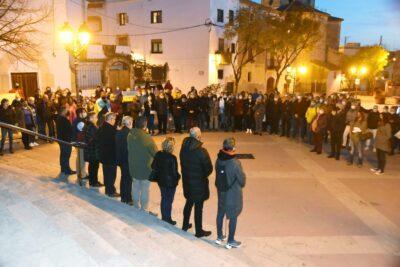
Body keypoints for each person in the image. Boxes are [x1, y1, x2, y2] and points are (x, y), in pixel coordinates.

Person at [180, 127, 213, 238]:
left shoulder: (183, 148)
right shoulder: (201, 151)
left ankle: (185, 225)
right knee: (198, 208)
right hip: (199, 184)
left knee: (189, 203)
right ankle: (199, 231)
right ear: (198, 136)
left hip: (187, 182)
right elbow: (209, 169)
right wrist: (202, 176)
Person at [215, 138, 246, 249]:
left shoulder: (218, 159)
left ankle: (219, 236)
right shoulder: (235, 163)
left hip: (221, 192)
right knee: (233, 216)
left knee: (220, 213)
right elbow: (242, 181)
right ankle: (230, 240)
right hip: (232, 194)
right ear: (233, 148)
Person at [127, 116, 158, 211]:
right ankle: (144, 208)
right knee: (145, 189)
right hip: (145, 168)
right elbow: (155, 153)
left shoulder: (130, 135)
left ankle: (136, 205)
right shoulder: (147, 138)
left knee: (135, 186)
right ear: (144, 125)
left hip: (133, 166)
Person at [151, 137, 181, 225]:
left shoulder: (158, 154)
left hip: (161, 181)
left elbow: (153, 166)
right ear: (171, 147)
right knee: (169, 200)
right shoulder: (172, 158)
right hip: (170, 183)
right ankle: (168, 218)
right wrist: (178, 177)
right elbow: (174, 173)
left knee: (164, 198)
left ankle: (165, 217)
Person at [97, 112, 119, 197]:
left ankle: (108, 189)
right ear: (110, 119)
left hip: (104, 155)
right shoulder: (111, 129)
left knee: (106, 173)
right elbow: (115, 142)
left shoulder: (102, 127)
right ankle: (111, 191)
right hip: (111, 155)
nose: (115, 121)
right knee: (111, 174)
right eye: (114, 119)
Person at [116, 116, 133, 205]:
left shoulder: (119, 132)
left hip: (120, 159)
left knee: (123, 178)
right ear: (129, 123)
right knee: (128, 179)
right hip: (127, 160)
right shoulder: (129, 134)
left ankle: (123, 197)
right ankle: (128, 198)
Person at [84, 112, 103, 187]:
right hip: (93, 150)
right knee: (94, 166)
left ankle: (93, 180)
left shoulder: (91, 125)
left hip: (92, 149)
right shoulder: (91, 127)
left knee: (93, 166)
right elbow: (94, 138)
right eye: (95, 117)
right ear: (91, 118)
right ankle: (93, 182)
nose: (97, 118)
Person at [56, 107, 75, 175]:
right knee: (66, 155)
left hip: (62, 139)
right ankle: (67, 170)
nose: (68, 112)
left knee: (63, 154)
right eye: (67, 111)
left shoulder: (60, 118)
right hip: (65, 140)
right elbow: (67, 130)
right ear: (63, 111)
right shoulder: (63, 119)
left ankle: (63, 169)